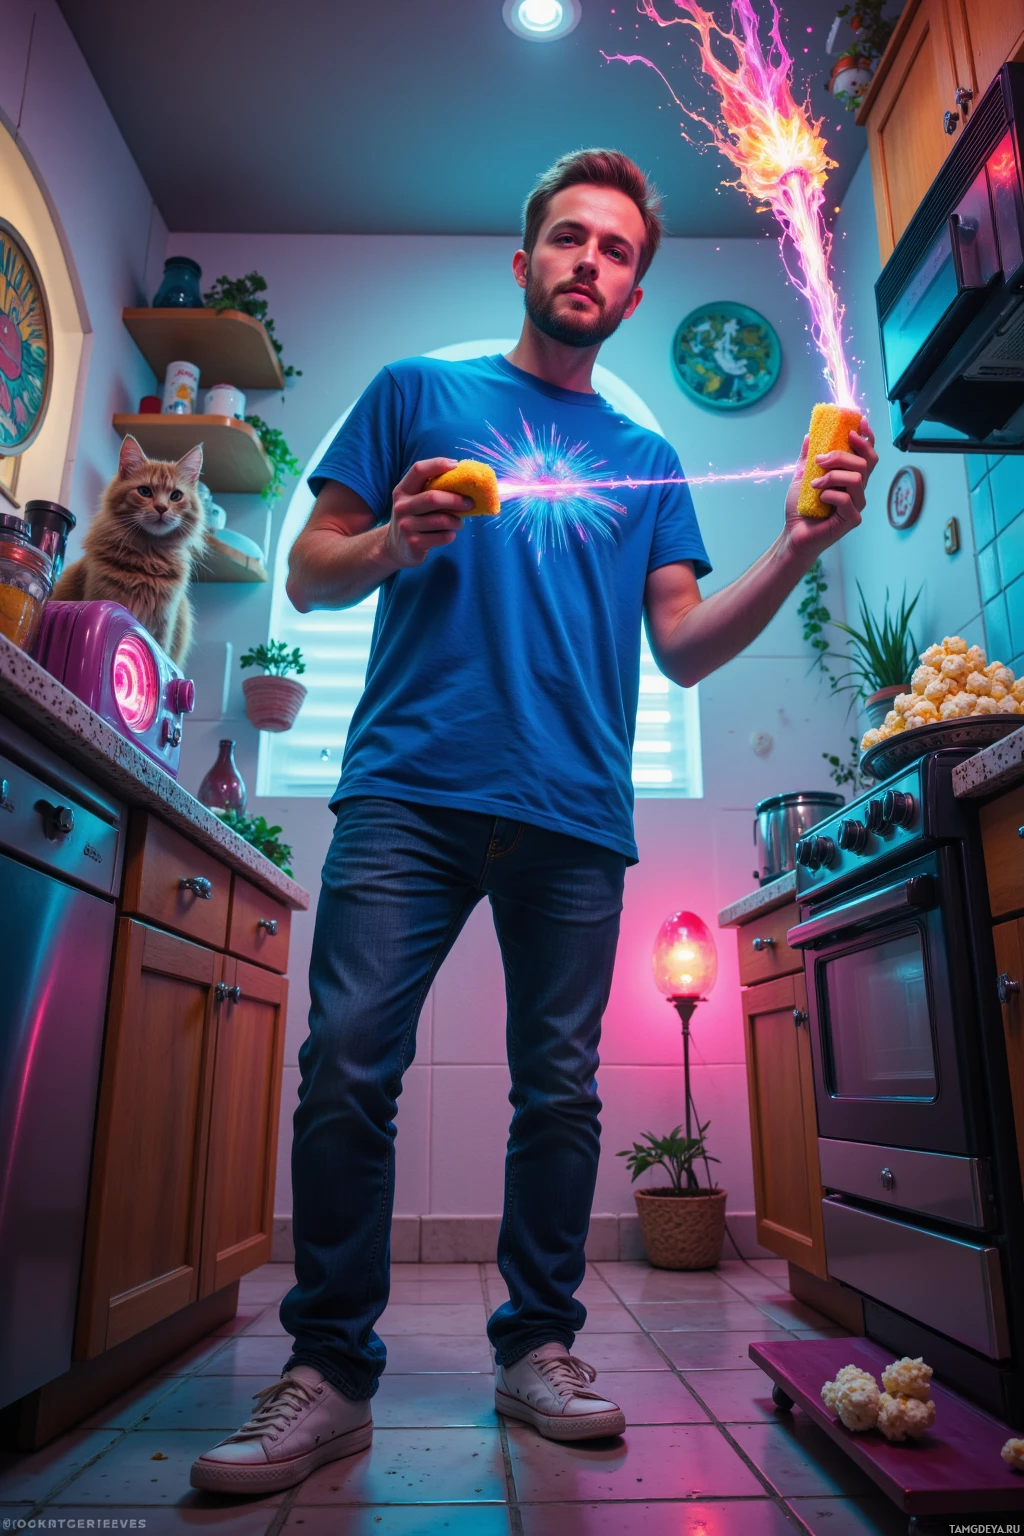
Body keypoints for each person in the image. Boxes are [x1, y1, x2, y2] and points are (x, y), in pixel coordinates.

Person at [191, 148, 877, 1496]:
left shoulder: (646, 457)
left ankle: (538, 1348)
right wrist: (392, 541)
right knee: (349, 1069)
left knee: (557, 1094)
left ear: (631, 291)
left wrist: (797, 548)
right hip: (406, 789)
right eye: (570, 238)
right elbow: (311, 577)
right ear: (526, 260)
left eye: (618, 252)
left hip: (573, 811)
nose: (590, 263)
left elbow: (678, 650)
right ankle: (327, 1371)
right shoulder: (415, 394)